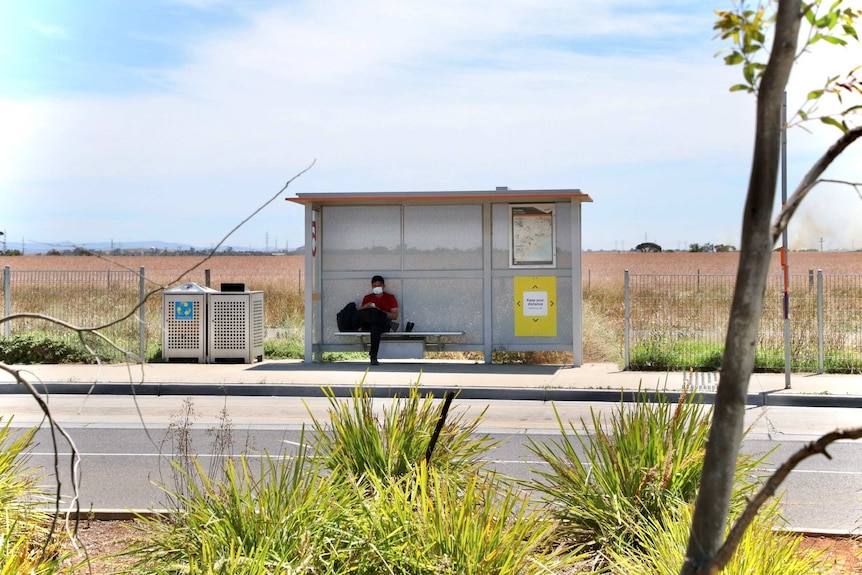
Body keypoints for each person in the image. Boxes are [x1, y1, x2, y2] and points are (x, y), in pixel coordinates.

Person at [356, 275, 399, 365]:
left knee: (375, 325)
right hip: (368, 324)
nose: (377, 287)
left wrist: (380, 312)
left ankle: (373, 356)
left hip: (382, 325)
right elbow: (361, 315)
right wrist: (365, 307)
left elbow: (394, 316)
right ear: (372, 286)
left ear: (383, 286)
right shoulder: (367, 298)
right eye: (375, 286)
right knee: (373, 320)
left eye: (379, 285)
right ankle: (373, 355)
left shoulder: (390, 298)